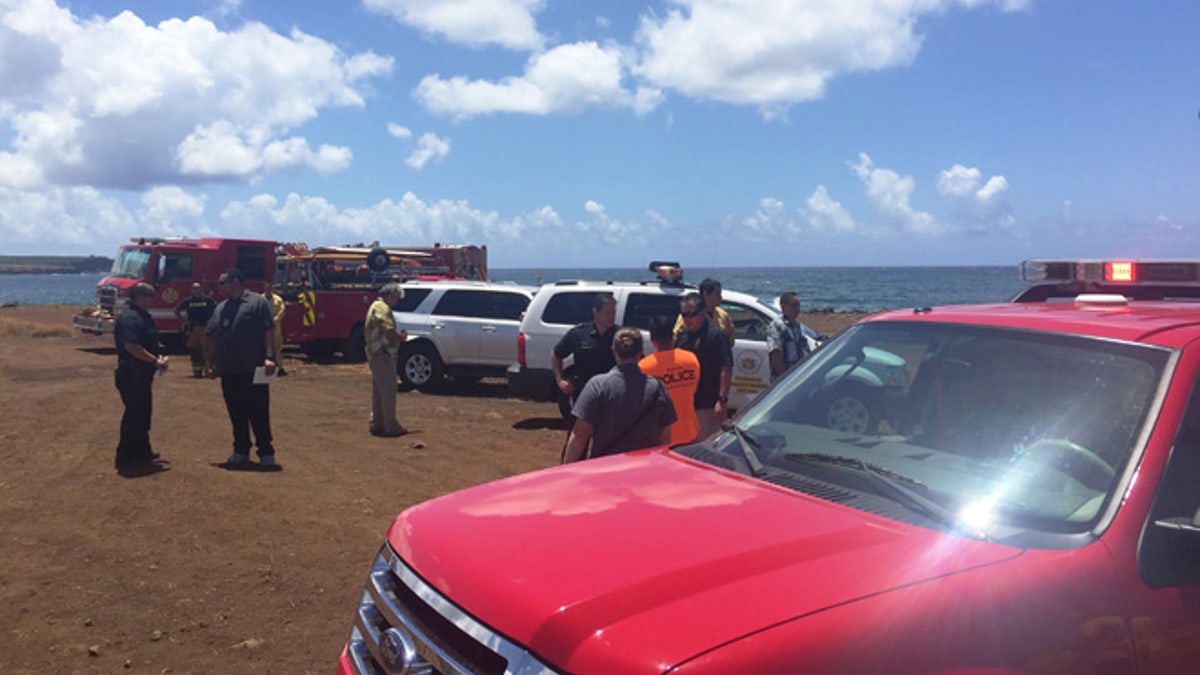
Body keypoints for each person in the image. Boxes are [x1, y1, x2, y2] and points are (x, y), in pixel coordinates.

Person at [563, 327, 676, 463]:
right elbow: (665, 437)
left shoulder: (598, 385)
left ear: (614, 351)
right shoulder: (658, 388)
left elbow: (580, 434)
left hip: (606, 465)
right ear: (640, 353)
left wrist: (566, 468)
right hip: (643, 466)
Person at [205, 268, 278, 467]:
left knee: (259, 411)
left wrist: (270, 357)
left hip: (254, 368)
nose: (218, 287)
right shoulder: (221, 308)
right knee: (236, 412)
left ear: (235, 281)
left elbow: (268, 331)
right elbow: (211, 336)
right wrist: (209, 363)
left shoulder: (257, 303)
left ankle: (266, 452)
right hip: (228, 369)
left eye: (222, 283)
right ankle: (241, 450)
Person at [113, 282, 170, 475]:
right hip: (131, 373)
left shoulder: (144, 317)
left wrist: (159, 353)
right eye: (151, 295)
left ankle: (142, 452)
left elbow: (150, 341)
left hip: (142, 373)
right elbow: (131, 346)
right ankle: (125, 456)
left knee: (143, 413)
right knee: (134, 415)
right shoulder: (130, 318)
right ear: (139, 297)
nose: (153, 299)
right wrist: (155, 361)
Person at [675, 292, 732, 440]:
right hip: (687, 407)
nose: (687, 319)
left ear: (703, 312)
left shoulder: (716, 335)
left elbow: (726, 367)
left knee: (707, 448)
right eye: (684, 314)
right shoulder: (682, 337)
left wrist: (722, 399)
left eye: (691, 314)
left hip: (708, 405)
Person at [639, 316, 700, 445]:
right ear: (673, 335)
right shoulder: (691, 359)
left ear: (652, 341)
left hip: (660, 437)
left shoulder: (644, 367)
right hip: (689, 432)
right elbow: (693, 390)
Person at [552, 293, 618, 408]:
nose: (611, 317)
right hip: (585, 393)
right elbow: (556, 354)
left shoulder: (621, 335)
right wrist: (560, 380)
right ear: (595, 312)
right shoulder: (579, 334)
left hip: (612, 394)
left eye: (613, 313)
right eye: (607, 313)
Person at [365, 282, 408, 437]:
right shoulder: (383, 308)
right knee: (388, 391)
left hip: (375, 354)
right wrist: (400, 338)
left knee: (379, 392)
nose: (396, 301)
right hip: (383, 354)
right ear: (390, 296)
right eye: (396, 298)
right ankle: (391, 425)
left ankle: (377, 423)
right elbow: (388, 330)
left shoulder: (375, 306)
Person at [673, 277, 735, 346]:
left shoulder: (723, 315)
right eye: (717, 294)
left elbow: (730, 339)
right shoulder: (689, 315)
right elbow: (676, 338)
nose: (720, 297)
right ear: (706, 294)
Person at [767, 291, 812, 381]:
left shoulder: (797, 326)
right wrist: (784, 379)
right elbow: (775, 355)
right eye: (793, 306)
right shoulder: (777, 326)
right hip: (785, 379)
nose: (797, 309)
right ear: (783, 307)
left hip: (799, 376)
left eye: (798, 305)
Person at [175, 282, 216, 378]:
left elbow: (216, 311)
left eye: (198, 288)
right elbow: (177, 311)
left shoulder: (208, 300)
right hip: (193, 328)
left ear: (202, 289)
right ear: (191, 290)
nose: (196, 290)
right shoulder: (188, 301)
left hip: (205, 328)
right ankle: (197, 372)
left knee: (207, 349)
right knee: (195, 350)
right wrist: (185, 321)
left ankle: (209, 370)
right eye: (194, 288)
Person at [264, 283, 288, 376]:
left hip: (275, 328)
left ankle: (280, 368)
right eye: (267, 288)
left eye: (270, 288)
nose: (268, 290)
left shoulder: (278, 300)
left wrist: (274, 320)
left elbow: (282, 311)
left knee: (277, 348)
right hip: (264, 327)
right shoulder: (261, 299)